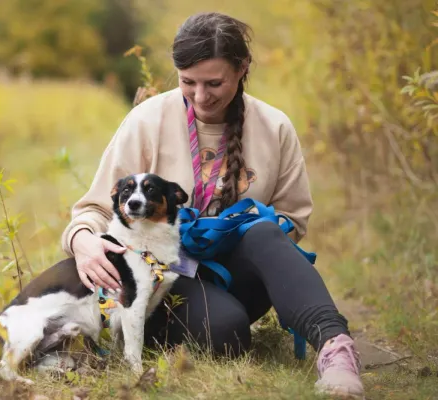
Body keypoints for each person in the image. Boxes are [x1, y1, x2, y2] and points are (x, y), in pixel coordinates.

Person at [60, 12, 365, 399]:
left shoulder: (275, 127)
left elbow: (293, 219)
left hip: (237, 272)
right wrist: (82, 241)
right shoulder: (146, 120)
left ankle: (336, 350)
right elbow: (94, 208)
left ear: (242, 70)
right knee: (226, 334)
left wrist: (232, 228)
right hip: (164, 280)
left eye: (214, 83)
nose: (201, 97)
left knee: (266, 232)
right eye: (188, 83)